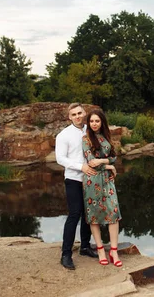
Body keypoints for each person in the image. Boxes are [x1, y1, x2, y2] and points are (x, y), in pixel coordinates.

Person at [55, 103, 99, 270]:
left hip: (91, 179)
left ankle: (85, 247)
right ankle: (66, 254)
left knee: (89, 214)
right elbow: (60, 158)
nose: (78, 116)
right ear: (69, 117)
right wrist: (81, 167)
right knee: (74, 214)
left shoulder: (91, 129)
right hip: (74, 179)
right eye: (74, 114)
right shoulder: (63, 135)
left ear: (84, 113)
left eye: (80, 113)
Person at [82, 109, 123, 267]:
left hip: (107, 181)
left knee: (113, 213)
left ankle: (114, 250)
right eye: (91, 121)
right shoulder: (86, 139)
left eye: (97, 121)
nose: (94, 124)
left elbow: (113, 157)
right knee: (94, 215)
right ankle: (100, 249)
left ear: (102, 122)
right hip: (92, 180)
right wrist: (108, 166)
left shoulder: (107, 137)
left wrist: (104, 163)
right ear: (88, 123)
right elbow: (92, 162)